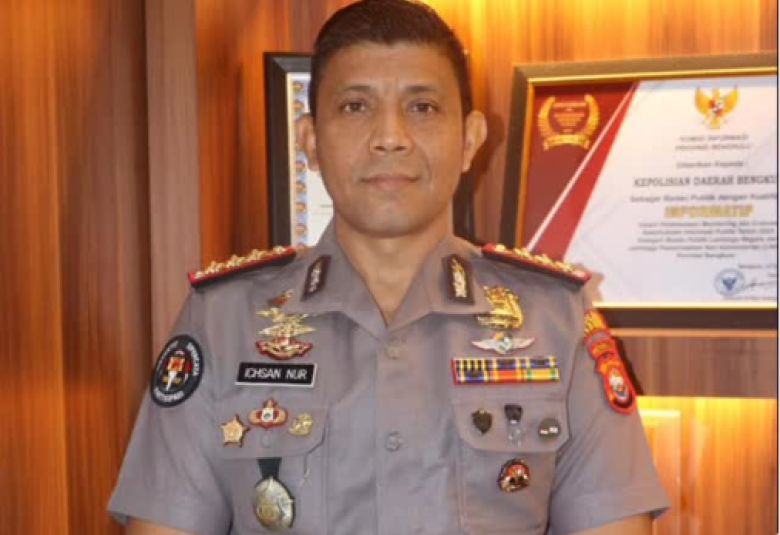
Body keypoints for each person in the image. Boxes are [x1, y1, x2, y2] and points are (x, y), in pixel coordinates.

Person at [109, 1, 669, 534]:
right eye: (356, 106)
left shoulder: (556, 320)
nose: (390, 137)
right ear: (310, 140)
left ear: (470, 139)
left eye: (422, 107)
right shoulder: (223, 320)